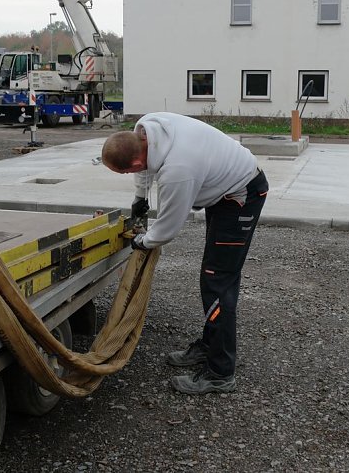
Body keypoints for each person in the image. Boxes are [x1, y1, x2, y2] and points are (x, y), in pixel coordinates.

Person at [101, 112, 268, 394]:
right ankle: (209, 346)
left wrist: (143, 240)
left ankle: (220, 373)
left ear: (137, 160)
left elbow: (167, 228)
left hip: (241, 196)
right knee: (215, 275)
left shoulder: (177, 170)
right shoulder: (146, 127)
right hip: (224, 189)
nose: (133, 174)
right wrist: (140, 198)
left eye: (127, 172)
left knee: (217, 282)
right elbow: (142, 168)